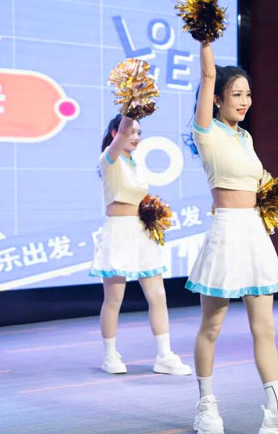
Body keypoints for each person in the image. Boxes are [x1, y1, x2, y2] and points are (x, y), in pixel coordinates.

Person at [186, 40, 278, 434]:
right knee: (212, 327)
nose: (244, 102)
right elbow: (207, 74)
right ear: (216, 99)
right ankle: (206, 407)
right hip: (226, 231)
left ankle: (276, 412)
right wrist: (205, 38)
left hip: (255, 233)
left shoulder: (245, 137)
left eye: (247, 94)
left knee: (265, 328)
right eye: (236, 95)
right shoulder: (206, 132)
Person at [90, 113, 191, 376]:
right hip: (118, 232)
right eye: (130, 132)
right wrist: (131, 106)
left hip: (141, 232)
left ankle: (164, 356)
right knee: (114, 299)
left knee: (158, 295)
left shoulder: (135, 162)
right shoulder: (109, 159)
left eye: (139, 133)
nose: (135, 137)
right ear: (115, 133)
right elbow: (123, 129)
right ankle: (110, 356)